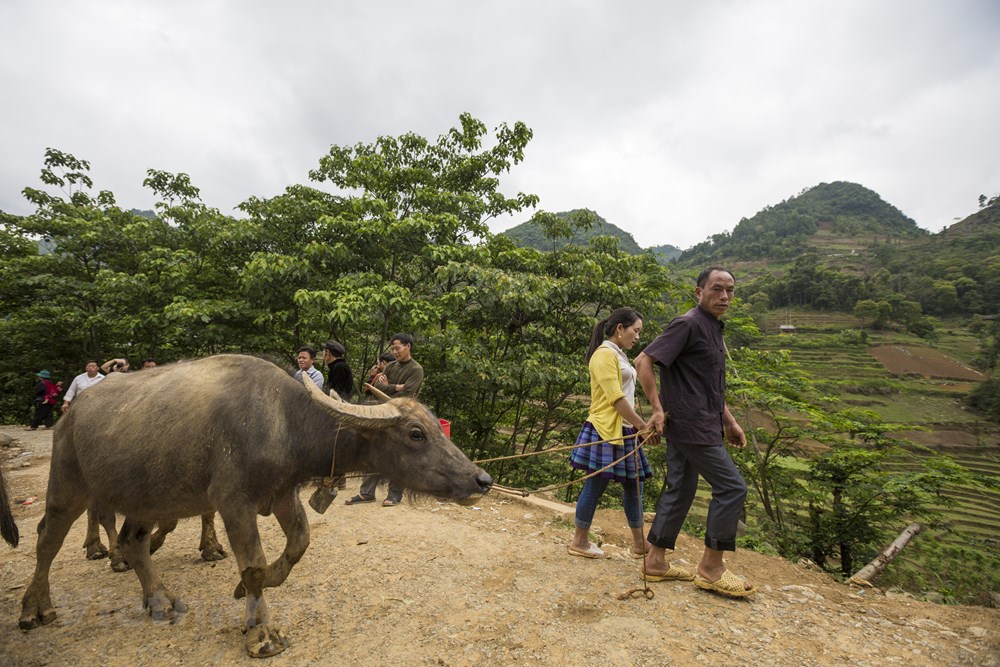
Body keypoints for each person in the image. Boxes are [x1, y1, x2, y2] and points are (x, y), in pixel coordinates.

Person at [634, 266, 755, 597]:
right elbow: (643, 361)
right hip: (691, 426)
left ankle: (655, 561)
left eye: (730, 290)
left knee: (681, 489)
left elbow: (709, 386)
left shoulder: (714, 328)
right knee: (732, 488)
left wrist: (729, 422)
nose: (725, 296)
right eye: (717, 289)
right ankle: (712, 568)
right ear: (699, 292)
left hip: (704, 423)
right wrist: (656, 409)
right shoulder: (687, 324)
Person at [567, 308, 654, 559]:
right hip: (605, 429)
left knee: (633, 486)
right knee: (595, 484)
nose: (637, 336)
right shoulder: (604, 356)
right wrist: (643, 426)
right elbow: (616, 398)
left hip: (624, 429)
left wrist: (636, 426)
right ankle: (579, 541)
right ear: (620, 329)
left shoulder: (620, 355)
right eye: (635, 330)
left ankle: (640, 544)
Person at [346, 333, 424, 507]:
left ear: (407, 346)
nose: (394, 352)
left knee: (399, 455)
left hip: (403, 417)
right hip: (383, 414)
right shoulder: (390, 366)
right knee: (374, 451)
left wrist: (388, 388)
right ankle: (367, 493)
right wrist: (396, 387)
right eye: (393, 349)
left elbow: (406, 394)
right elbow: (376, 386)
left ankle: (394, 494)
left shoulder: (416, 369)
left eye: (397, 348)